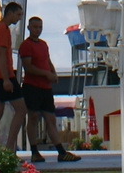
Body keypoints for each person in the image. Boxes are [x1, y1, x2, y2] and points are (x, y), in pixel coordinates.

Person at [19, 17, 80, 162]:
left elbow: (47, 60)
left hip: (45, 87)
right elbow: (28, 67)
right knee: (33, 117)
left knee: (50, 119)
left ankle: (61, 151)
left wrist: (53, 72)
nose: (37, 30)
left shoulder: (43, 44)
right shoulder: (26, 45)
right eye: (35, 27)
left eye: (40, 27)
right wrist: (46, 74)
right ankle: (34, 151)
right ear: (29, 28)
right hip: (32, 87)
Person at [0, 1, 26, 151]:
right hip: (5, 75)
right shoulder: (3, 29)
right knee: (21, 110)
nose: (19, 18)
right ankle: (9, 146)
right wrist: (6, 79)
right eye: (18, 14)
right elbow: (1, 54)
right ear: (10, 13)